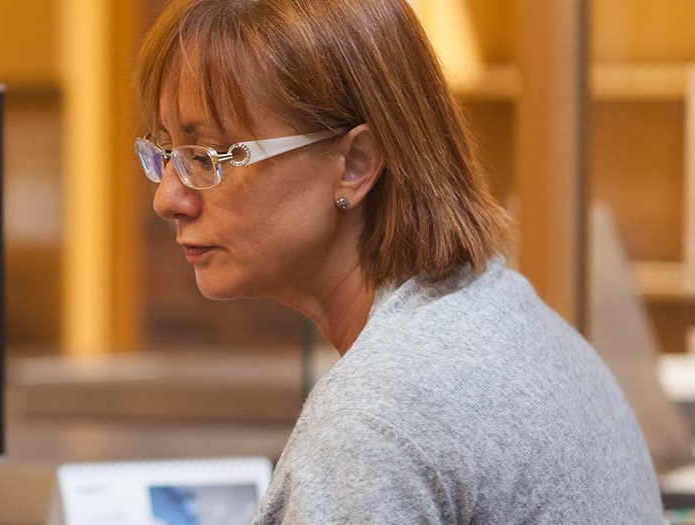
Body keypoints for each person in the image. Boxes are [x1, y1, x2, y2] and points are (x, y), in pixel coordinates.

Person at [131, 0, 662, 522]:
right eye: (165, 153)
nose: (167, 199)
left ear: (355, 165)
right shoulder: (520, 324)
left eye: (207, 157)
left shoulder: (377, 417)